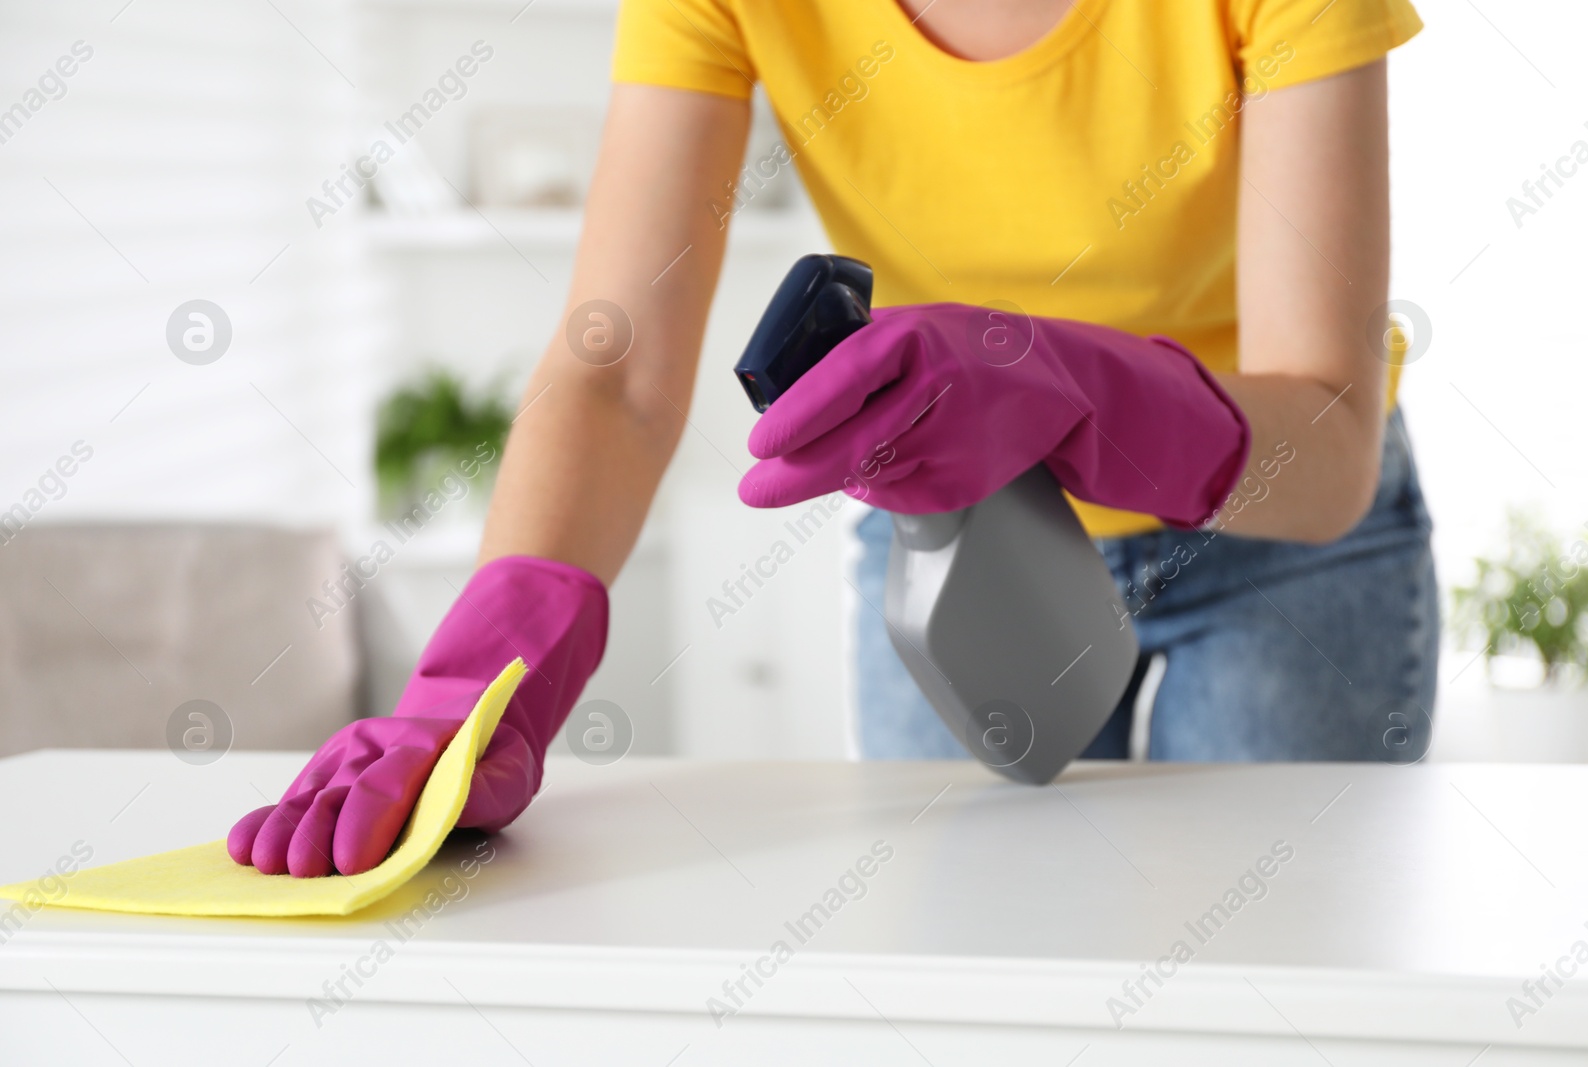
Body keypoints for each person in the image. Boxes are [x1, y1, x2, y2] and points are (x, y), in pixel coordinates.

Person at [230, 0, 1436, 877]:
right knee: (989, 986)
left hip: (1276, 543)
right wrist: (481, 678)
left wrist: (1070, 387)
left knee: (1267, 982)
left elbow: (1324, 446)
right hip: (965, 534)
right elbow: (619, 371)